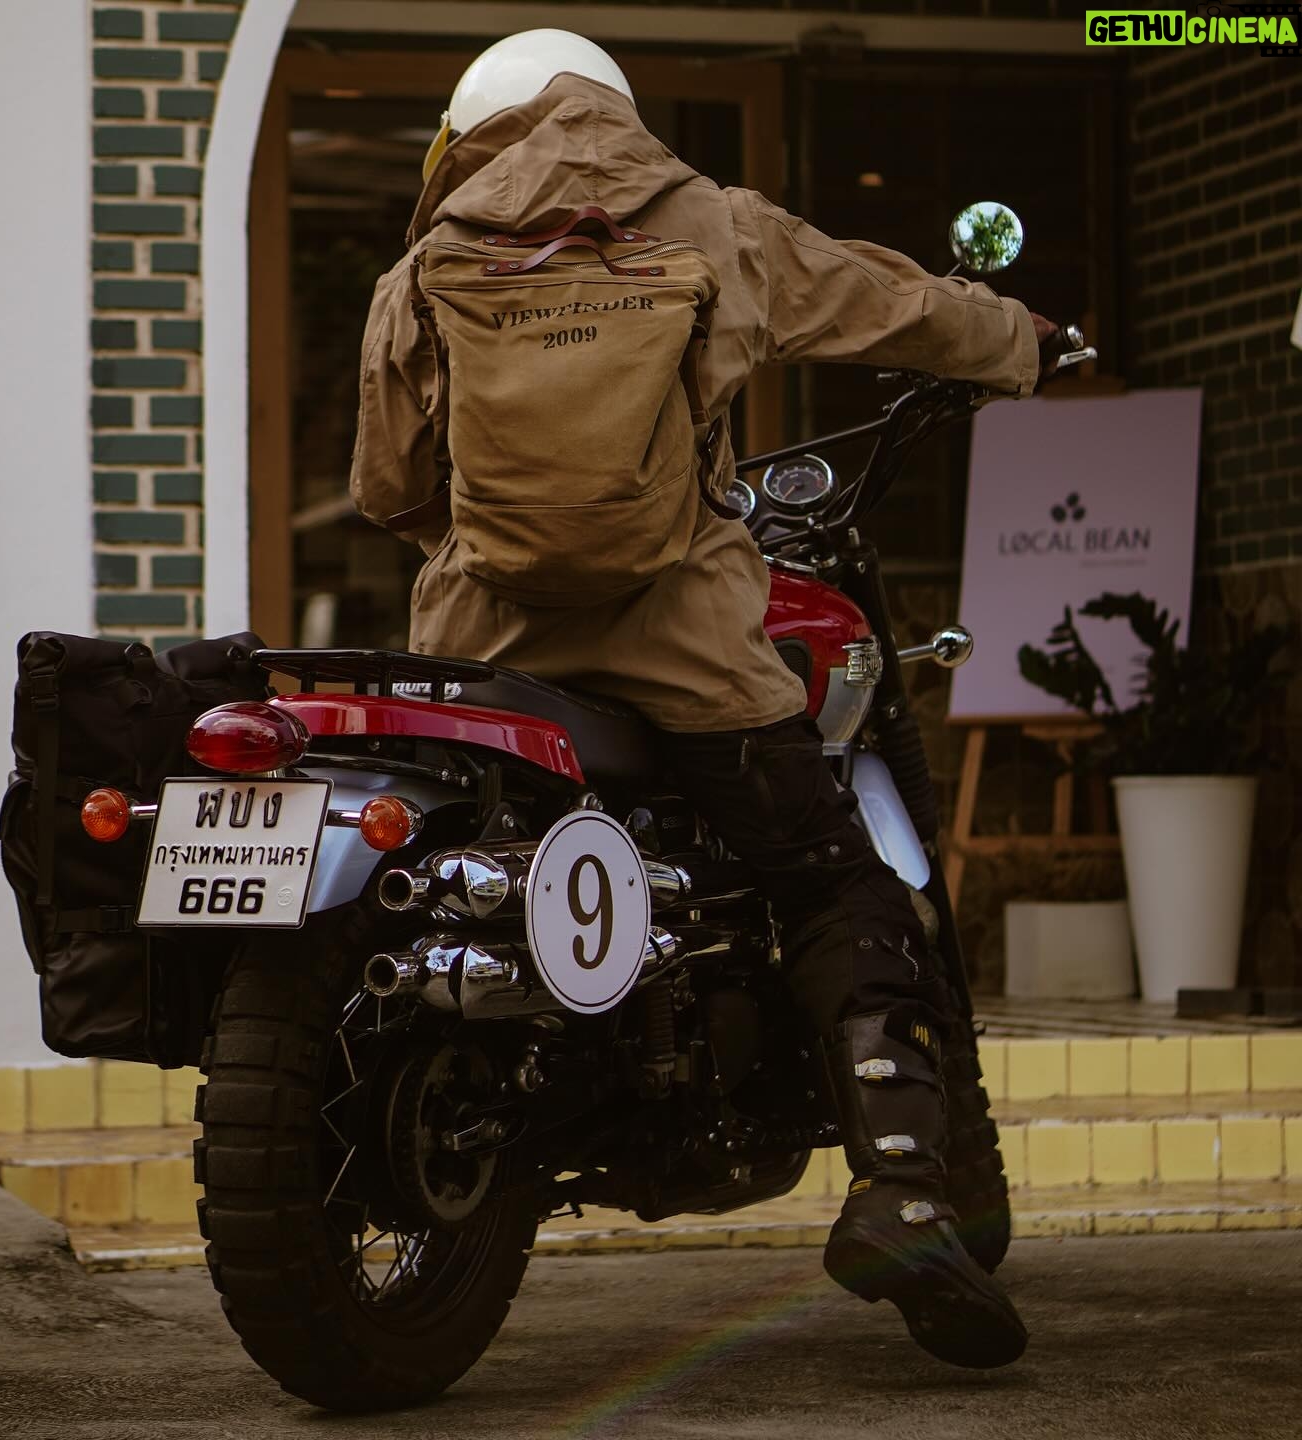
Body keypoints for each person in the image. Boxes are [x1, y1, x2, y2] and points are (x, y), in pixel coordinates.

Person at [350, 28, 1059, 1370]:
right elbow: (894, 303)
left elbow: (389, 490)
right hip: (691, 657)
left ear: (470, 131)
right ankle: (902, 1192)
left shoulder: (423, 266)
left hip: (488, 666)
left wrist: (494, 555)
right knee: (831, 883)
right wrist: (1021, 337)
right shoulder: (714, 224)